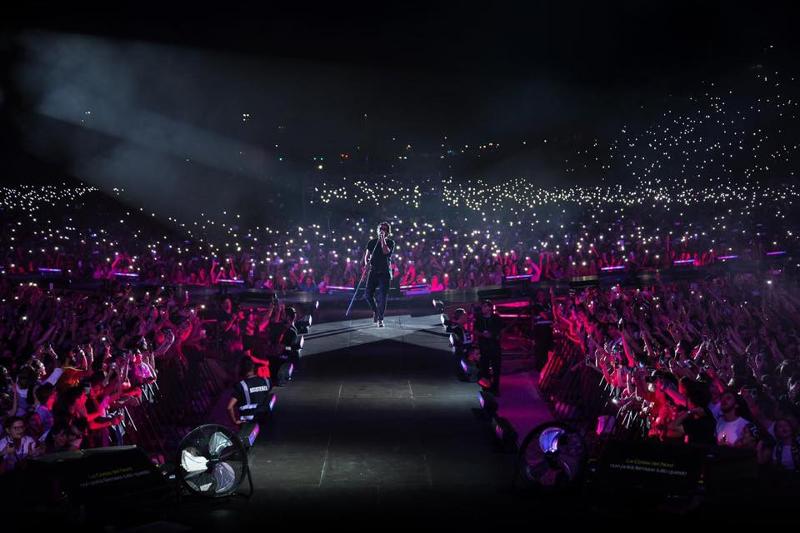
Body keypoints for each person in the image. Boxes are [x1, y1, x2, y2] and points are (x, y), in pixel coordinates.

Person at [363, 221, 395, 327]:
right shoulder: (372, 242)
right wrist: (366, 264)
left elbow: (386, 252)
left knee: (382, 296)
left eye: (385, 229)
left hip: (385, 272)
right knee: (367, 295)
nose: (382, 230)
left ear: (387, 232)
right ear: (378, 230)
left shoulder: (390, 242)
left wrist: (382, 240)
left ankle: (380, 319)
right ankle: (376, 311)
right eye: (381, 228)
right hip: (373, 271)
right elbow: (366, 256)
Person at [227, 357, 272, 426]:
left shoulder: (241, 385)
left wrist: (235, 421)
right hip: (266, 417)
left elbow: (229, 407)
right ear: (253, 368)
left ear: (242, 370)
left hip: (249, 421)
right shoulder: (267, 380)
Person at [474, 299, 503, 396]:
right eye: (482, 307)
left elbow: (500, 331)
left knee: (496, 369)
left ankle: (495, 388)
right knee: (484, 369)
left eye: (485, 306)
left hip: (494, 347)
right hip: (484, 347)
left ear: (490, 308)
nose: (483, 308)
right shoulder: (479, 318)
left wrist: (492, 335)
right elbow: (475, 331)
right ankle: (486, 388)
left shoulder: (496, 318)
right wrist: (482, 334)